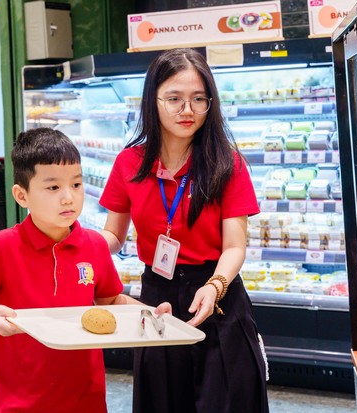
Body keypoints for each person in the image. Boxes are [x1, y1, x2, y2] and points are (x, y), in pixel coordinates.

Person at [0, 127, 170, 413]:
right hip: (20, 403)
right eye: (53, 187)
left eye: (76, 184)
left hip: (86, 399)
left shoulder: (95, 245)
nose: (68, 198)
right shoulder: (3, 247)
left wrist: (150, 314)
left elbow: (111, 301)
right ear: (21, 196)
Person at [99, 48, 269, 413]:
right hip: (157, 301)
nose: (187, 110)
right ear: (153, 101)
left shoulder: (228, 164)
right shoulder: (129, 163)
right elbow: (113, 235)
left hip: (217, 298)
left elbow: (235, 246)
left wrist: (215, 286)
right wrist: (79, 245)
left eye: (198, 99)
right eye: (174, 99)